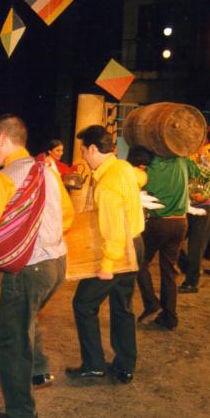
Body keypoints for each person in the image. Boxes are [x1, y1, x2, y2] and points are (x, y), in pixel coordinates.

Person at [0, 114, 74, 418]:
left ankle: (22, 417)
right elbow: (68, 216)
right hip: (57, 264)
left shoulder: (3, 179)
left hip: (28, 269)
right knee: (26, 321)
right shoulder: (47, 171)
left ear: (2, 139)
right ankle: (38, 370)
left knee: (10, 343)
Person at [66, 126, 145, 383]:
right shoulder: (123, 168)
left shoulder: (108, 184)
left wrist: (107, 263)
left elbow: (113, 232)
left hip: (119, 250)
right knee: (122, 306)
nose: (82, 158)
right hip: (136, 245)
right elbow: (141, 178)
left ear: (91, 149)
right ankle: (125, 366)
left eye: (83, 152)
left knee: (83, 303)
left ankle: (94, 364)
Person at [136, 153, 210, 330]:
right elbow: (207, 174)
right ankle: (170, 317)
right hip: (180, 222)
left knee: (140, 261)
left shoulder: (151, 163)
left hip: (158, 222)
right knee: (169, 270)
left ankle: (151, 302)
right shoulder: (184, 161)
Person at [177, 157, 210, 293]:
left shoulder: (193, 166)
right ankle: (189, 269)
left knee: (196, 247)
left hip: (203, 209)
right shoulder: (176, 169)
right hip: (188, 210)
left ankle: (192, 283)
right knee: (175, 242)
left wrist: (205, 194)